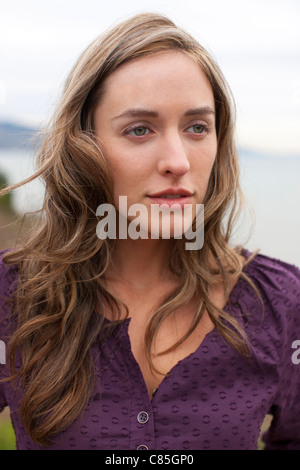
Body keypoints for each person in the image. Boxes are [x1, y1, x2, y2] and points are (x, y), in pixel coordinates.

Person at [0, 12, 300, 451]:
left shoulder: (280, 303)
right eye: (140, 130)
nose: (177, 160)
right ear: (84, 147)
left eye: (197, 127)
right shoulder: (13, 295)